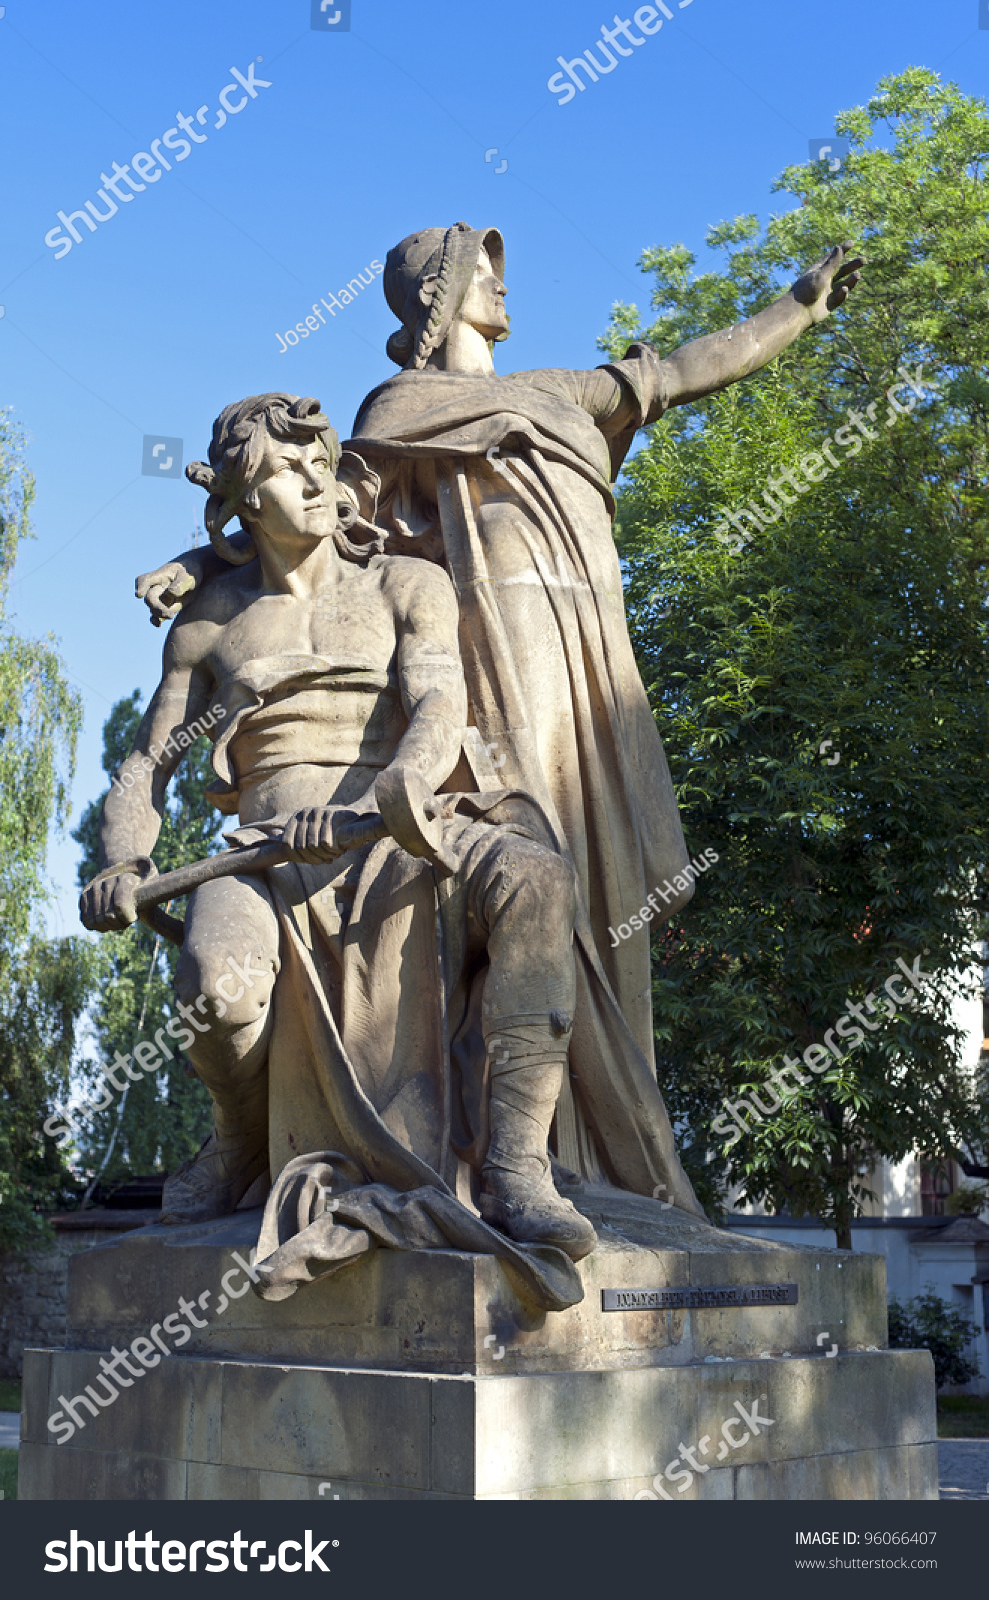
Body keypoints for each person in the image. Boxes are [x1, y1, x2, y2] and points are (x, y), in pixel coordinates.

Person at [134, 225, 862, 1208]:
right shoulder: (397, 411)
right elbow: (314, 521)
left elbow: (681, 373)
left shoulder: (552, 392)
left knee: (593, 895)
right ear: (438, 296)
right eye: (482, 273)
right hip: (478, 663)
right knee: (512, 863)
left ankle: (584, 1154)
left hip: (579, 667)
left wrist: (796, 307)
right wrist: (203, 561)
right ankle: (508, 1153)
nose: (502, 288)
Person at [81, 392, 598, 1308]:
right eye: (286, 468)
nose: (316, 479)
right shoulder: (206, 624)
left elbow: (439, 701)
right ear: (242, 499)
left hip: (395, 830)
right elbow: (145, 767)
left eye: (319, 458)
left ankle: (519, 1167)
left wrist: (402, 780)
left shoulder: (405, 584)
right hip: (261, 852)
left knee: (538, 882)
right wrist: (123, 861)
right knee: (215, 991)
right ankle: (238, 1135)